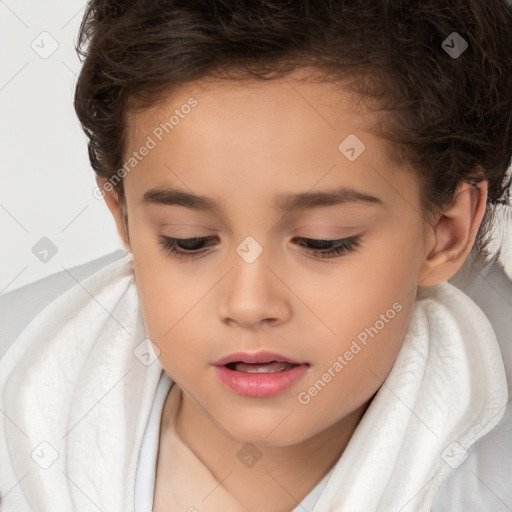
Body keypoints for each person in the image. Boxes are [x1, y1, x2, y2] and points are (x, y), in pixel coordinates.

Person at [1, 1, 511, 510]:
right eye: (188, 240)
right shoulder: (21, 401)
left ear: (446, 231)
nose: (248, 304)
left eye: (322, 242)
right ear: (125, 218)